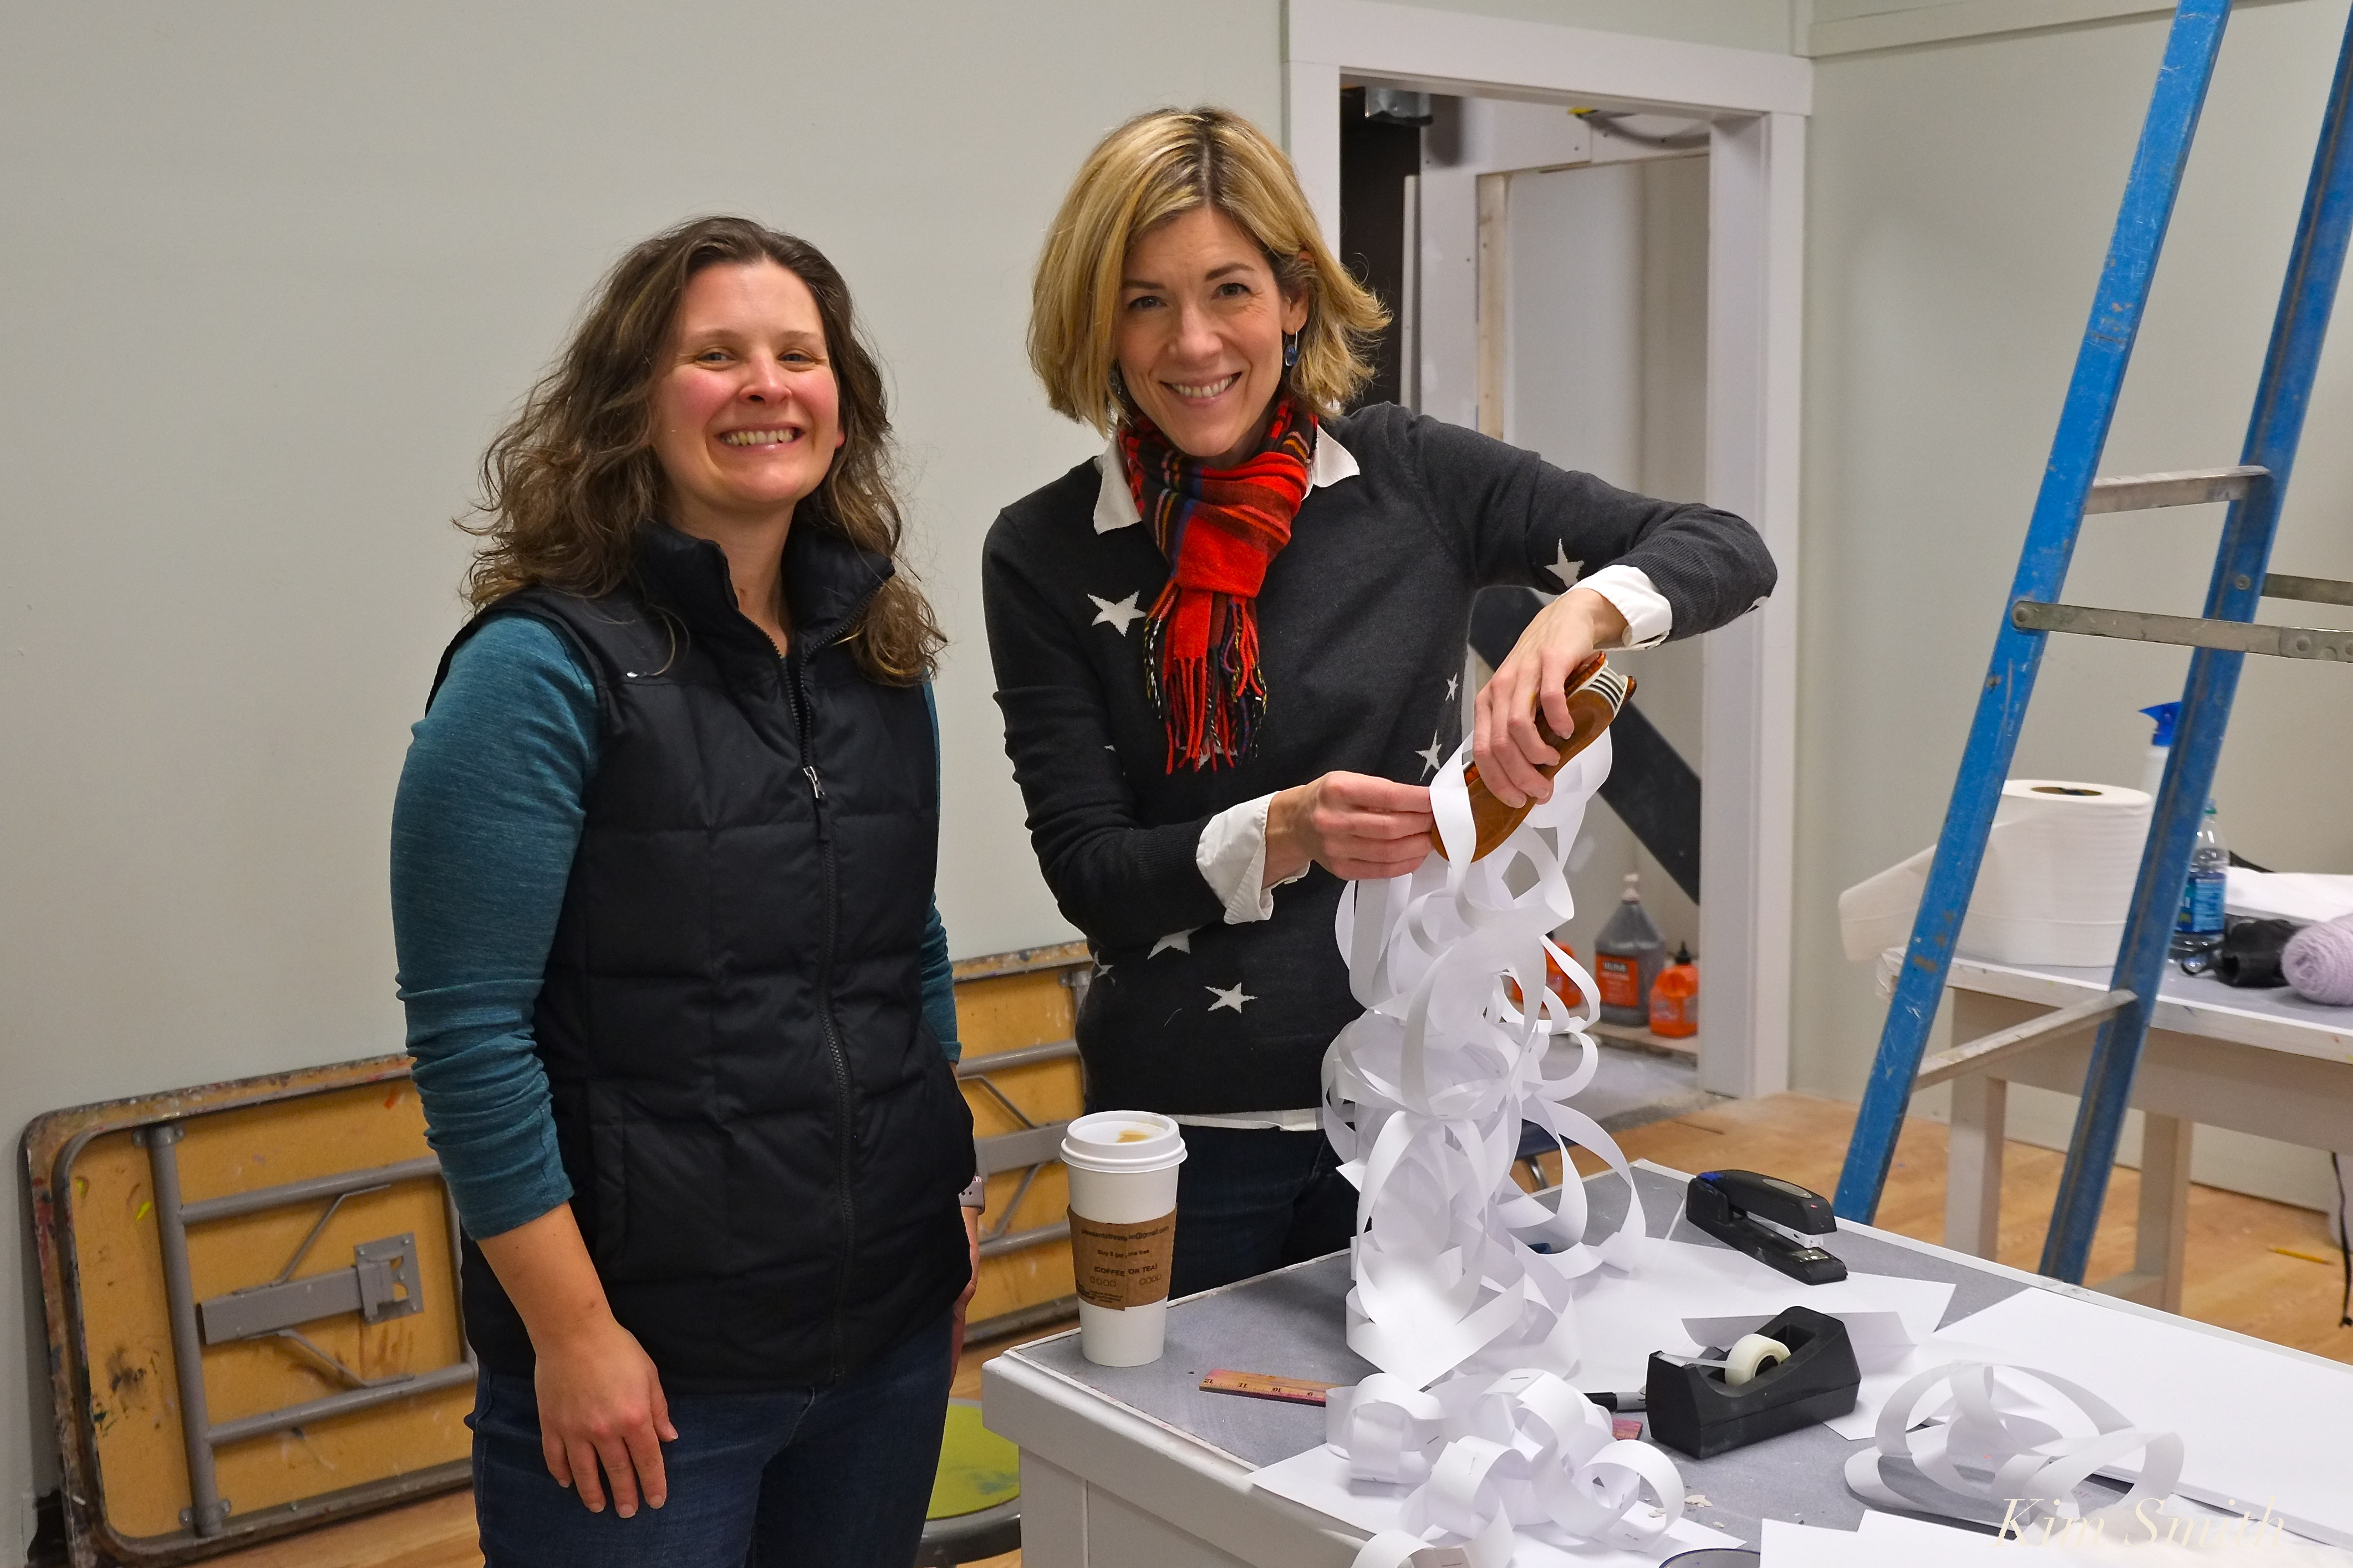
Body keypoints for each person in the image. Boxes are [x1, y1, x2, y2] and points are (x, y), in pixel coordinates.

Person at [983, 108, 1776, 1299]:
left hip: (1432, 1107)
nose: (1193, 342)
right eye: (1144, 301)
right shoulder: (1043, 549)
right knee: (1176, 1423)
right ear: (1098, 322)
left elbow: (1727, 547)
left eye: (1230, 290)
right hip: (1189, 1136)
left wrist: (1583, 612)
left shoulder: (1409, 478)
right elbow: (1091, 873)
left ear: (1295, 299)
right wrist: (1286, 828)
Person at [391, 216, 978, 1567]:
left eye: (798, 354)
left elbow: (906, 942)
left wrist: (943, 1203)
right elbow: (470, 1034)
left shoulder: (876, 651)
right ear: (633, 403)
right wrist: (573, 1335)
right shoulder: (536, 672)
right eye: (715, 354)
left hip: (885, 1342)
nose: (766, 383)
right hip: (651, 1380)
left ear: (843, 404)